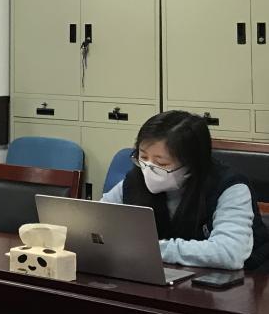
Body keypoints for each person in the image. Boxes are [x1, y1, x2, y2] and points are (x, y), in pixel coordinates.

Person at [102, 111, 269, 270]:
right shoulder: (135, 179)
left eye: (161, 163)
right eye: (143, 157)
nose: (148, 169)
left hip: (241, 281)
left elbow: (228, 252)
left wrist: (150, 249)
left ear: (191, 164)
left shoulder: (229, 186)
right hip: (163, 275)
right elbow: (98, 221)